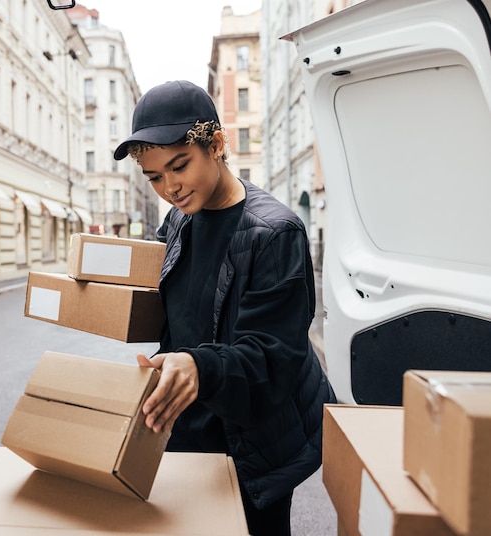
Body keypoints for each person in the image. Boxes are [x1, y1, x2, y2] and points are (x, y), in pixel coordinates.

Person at [113, 80, 336, 536]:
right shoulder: (178, 220)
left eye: (179, 166)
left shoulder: (276, 232)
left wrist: (198, 366)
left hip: (255, 439)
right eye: (154, 177)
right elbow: (171, 305)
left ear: (215, 144)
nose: (170, 188)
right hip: (189, 423)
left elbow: (272, 358)